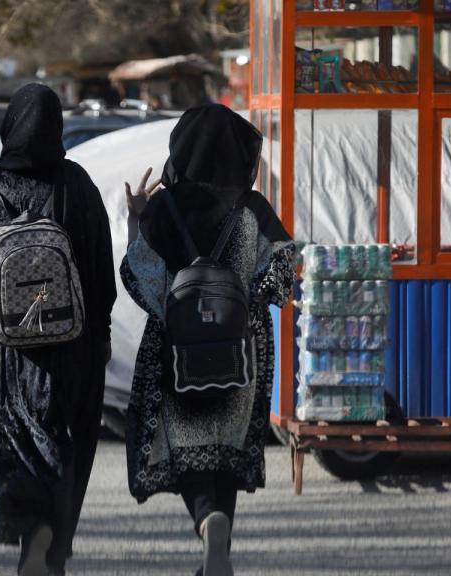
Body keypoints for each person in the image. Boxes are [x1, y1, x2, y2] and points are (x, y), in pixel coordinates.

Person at [0, 83, 116, 576]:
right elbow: (100, 269)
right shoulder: (78, 185)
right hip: (69, 347)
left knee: (3, 438)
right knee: (64, 445)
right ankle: (50, 542)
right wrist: (100, 333)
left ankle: (28, 529)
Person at [121, 104, 295, 576]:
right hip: (241, 354)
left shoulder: (165, 207)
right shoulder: (253, 209)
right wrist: (244, 301)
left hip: (179, 354)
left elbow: (139, 277)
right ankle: (219, 542)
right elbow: (281, 278)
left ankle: (205, 522)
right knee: (226, 451)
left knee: (188, 449)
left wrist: (137, 218)